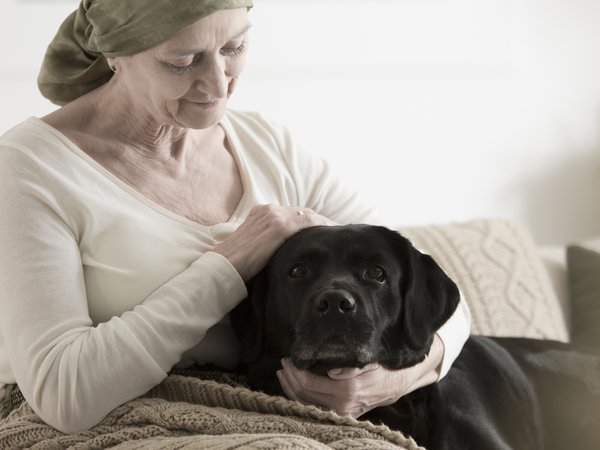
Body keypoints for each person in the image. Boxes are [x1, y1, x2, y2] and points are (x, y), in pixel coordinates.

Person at [0, 0, 471, 434]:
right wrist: (230, 262)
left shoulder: (269, 145)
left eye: (234, 46)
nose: (219, 82)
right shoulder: (30, 168)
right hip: (109, 424)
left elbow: (440, 294)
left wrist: (393, 381)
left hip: (262, 411)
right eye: (182, 61)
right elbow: (62, 396)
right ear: (114, 54)